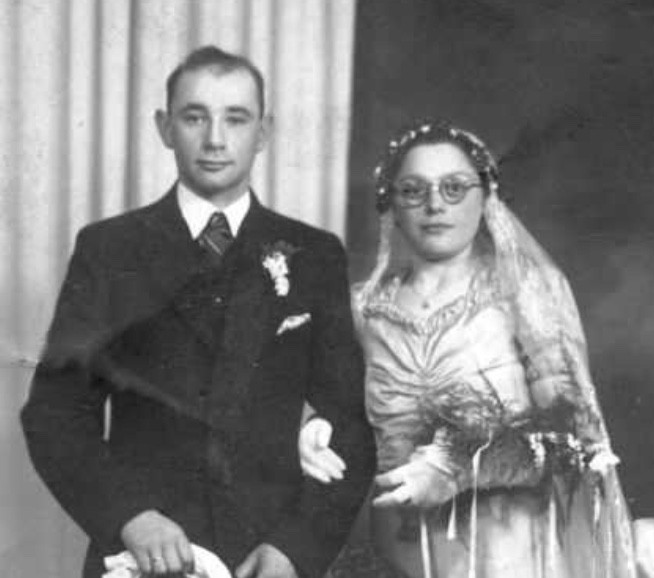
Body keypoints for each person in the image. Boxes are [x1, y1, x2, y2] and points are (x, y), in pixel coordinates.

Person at [21, 45, 375, 578]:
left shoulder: (313, 254)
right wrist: (130, 519)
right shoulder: (110, 248)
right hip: (140, 556)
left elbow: (349, 427)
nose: (215, 139)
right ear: (165, 128)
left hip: (266, 558)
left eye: (236, 119)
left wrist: (294, 549)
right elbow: (54, 415)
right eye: (194, 117)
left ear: (264, 132)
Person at [299, 120, 637, 577]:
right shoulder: (364, 308)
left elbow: (575, 439)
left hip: (506, 553)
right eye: (414, 190)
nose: (435, 204)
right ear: (391, 207)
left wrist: (456, 466)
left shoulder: (524, 291)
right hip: (397, 552)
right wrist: (314, 423)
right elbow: (349, 418)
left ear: (487, 198)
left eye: (455, 187)